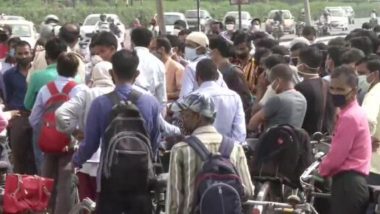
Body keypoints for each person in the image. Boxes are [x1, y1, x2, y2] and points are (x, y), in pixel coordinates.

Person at [72, 50, 161, 213]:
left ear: (112, 73)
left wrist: (75, 162)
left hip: (109, 180)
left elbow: (90, 145)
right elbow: (154, 142)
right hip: (141, 179)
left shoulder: (100, 104)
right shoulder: (151, 103)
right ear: (137, 74)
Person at [166, 93, 254, 214]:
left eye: (184, 115)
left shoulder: (180, 149)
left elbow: (175, 202)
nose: (182, 119)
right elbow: (248, 191)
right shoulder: (235, 147)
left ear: (197, 117)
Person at [29, 52, 86, 214]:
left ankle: (43, 209)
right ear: (76, 70)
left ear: (58, 68)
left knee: (45, 179)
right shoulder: (80, 90)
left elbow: (34, 118)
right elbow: (83, 117)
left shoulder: (45, 89)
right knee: (65, 183)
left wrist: (46, 132)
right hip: (70, 142)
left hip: (47, 142)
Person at [55, 61, 114, 202]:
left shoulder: (87, 93)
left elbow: (60, 114)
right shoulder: (121, 94)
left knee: (86, 201)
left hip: (87, 158)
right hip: (113, 159)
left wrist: (74, 131)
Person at [319, 65, 371, 214]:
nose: (335, 93)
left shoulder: (349, 117)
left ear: (354, 90)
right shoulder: (354, 112)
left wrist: (322, 170)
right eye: (332, 89)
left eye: (341, 90)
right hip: (352, 183)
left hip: (348, 185)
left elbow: (337, 155)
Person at [191, 59, 246, 143]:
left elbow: (186, 129)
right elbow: (240, 133)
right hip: (227, 151)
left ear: (197, 77)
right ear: (217, 77)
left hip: (200, 150)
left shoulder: (192, 98)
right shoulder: (234, 97)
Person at [3, 40, 36, 175]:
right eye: (20, 53)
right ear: (14, 54)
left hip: (36, 116)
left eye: (26, 53)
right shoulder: (8, 75)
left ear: (32, 53)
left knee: (36, 156)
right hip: (18, 116)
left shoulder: (37, 73)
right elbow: (7, 97)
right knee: (18, 155)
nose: (23, 56)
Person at [248, 64, 307, 131]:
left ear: (277, 81)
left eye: (271, 83)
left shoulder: (278, 99)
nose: (269, 86)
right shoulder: (302, 99)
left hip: (273, 139)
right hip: (294, 139)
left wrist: (265, 93)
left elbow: (251, 125)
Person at [209, 36, 253, 122]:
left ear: (215, 51)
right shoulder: (213, 70)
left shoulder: (235, 72)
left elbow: (246, 101)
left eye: (209, 51)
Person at [295, 47, 335, 134]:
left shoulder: (301, 87)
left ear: (303, 66)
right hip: (327, 135)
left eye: (298, 61)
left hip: (309, 136)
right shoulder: (328, 84)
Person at [179, 32, 226, 98]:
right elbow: (225, 90)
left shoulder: (190, 68)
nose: (186, 48)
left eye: (189, 46)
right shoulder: (213, 66)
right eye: (186, 45)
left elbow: (184, 96)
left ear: (201, 49)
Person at [131, 27, 167, 108]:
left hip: (126, 109)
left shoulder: (125, 59)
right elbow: (162, 98)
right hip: (150, 107)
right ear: (150, 42)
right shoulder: (158, 63)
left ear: (132, 41)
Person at [361, 59, 380, 186]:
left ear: (375, 74)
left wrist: (366, 140)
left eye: (363, 72)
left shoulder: (375, 93)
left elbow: (366, 121)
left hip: (374, 161)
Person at [150, 36, 184, 101]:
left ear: (162, 49)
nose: (150, 51)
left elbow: (182, 92)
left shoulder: (177, 68)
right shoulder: (154, 65)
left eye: (153, 48)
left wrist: (164, 94)